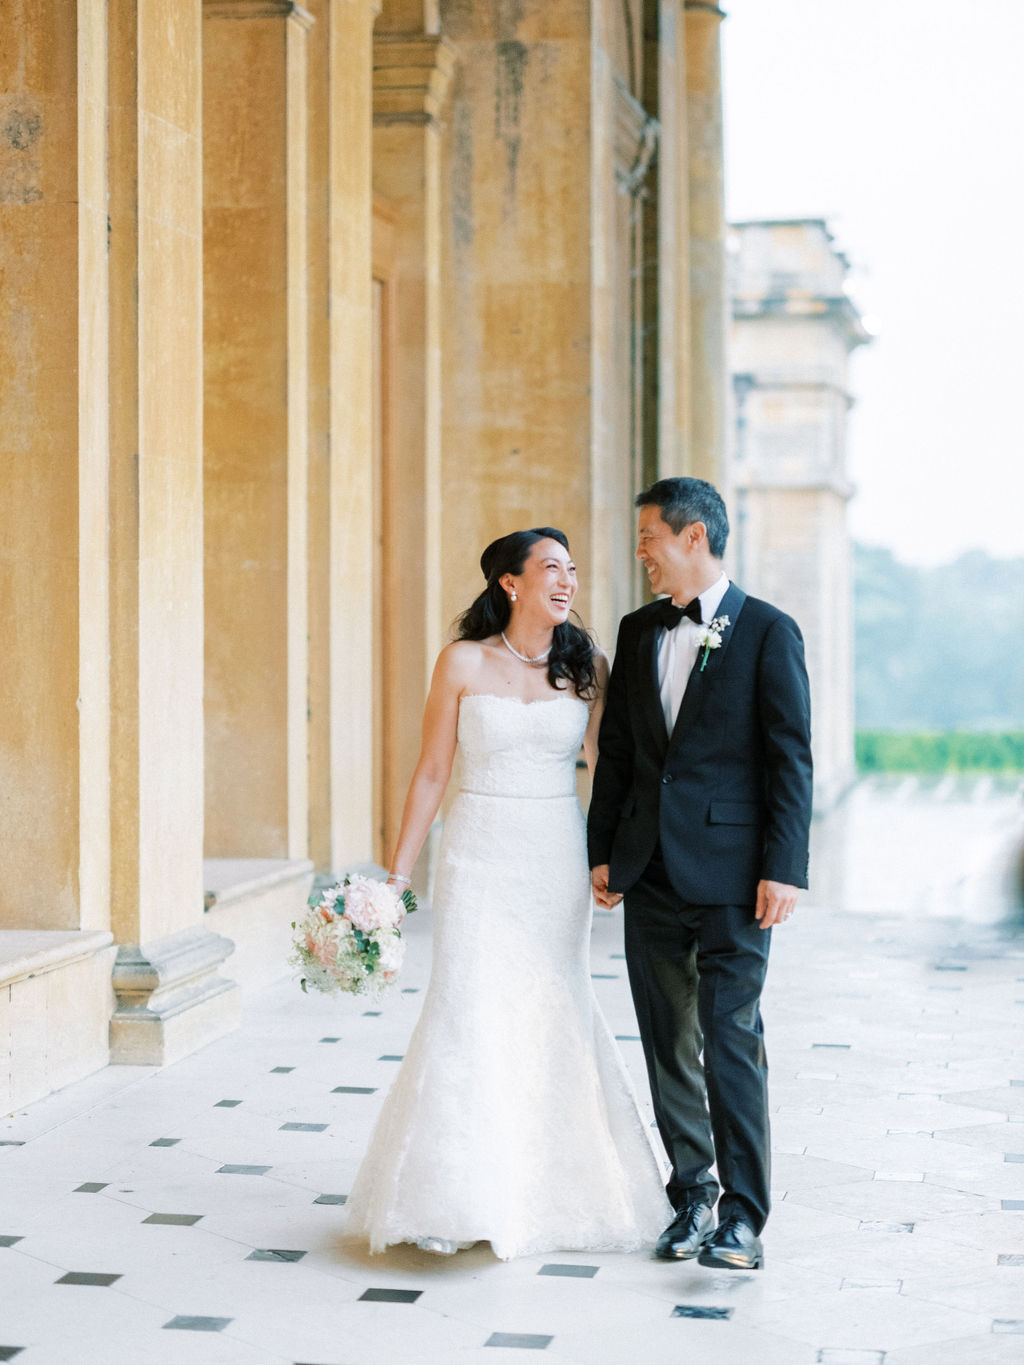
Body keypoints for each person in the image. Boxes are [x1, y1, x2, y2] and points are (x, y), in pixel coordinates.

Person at [344, 528, 671, 1260]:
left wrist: (619, 858)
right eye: (550, 567)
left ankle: (547, 1187)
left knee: (552, 1001)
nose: (567, 581)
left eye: (573, 569)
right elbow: (432, 771)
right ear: (510, 583)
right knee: (468, 1003)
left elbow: (612, 770)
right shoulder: (461, 661)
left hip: (554, 853)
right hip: (477, 852)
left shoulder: (588, 664)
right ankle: (457, 1196)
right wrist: (396, 879)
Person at [588, 478, 813, 1272]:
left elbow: (790, 760)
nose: (641, 553)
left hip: (735, 877)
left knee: (731, 1040)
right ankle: (693, 1196)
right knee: (666, 1043)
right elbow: (618, 753)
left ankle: (745, 1219)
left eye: (648, 536)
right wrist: (601, 850)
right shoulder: (637, 629)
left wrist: (784, 869)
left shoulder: (768, 632)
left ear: (692, 537)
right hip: (648, 871)